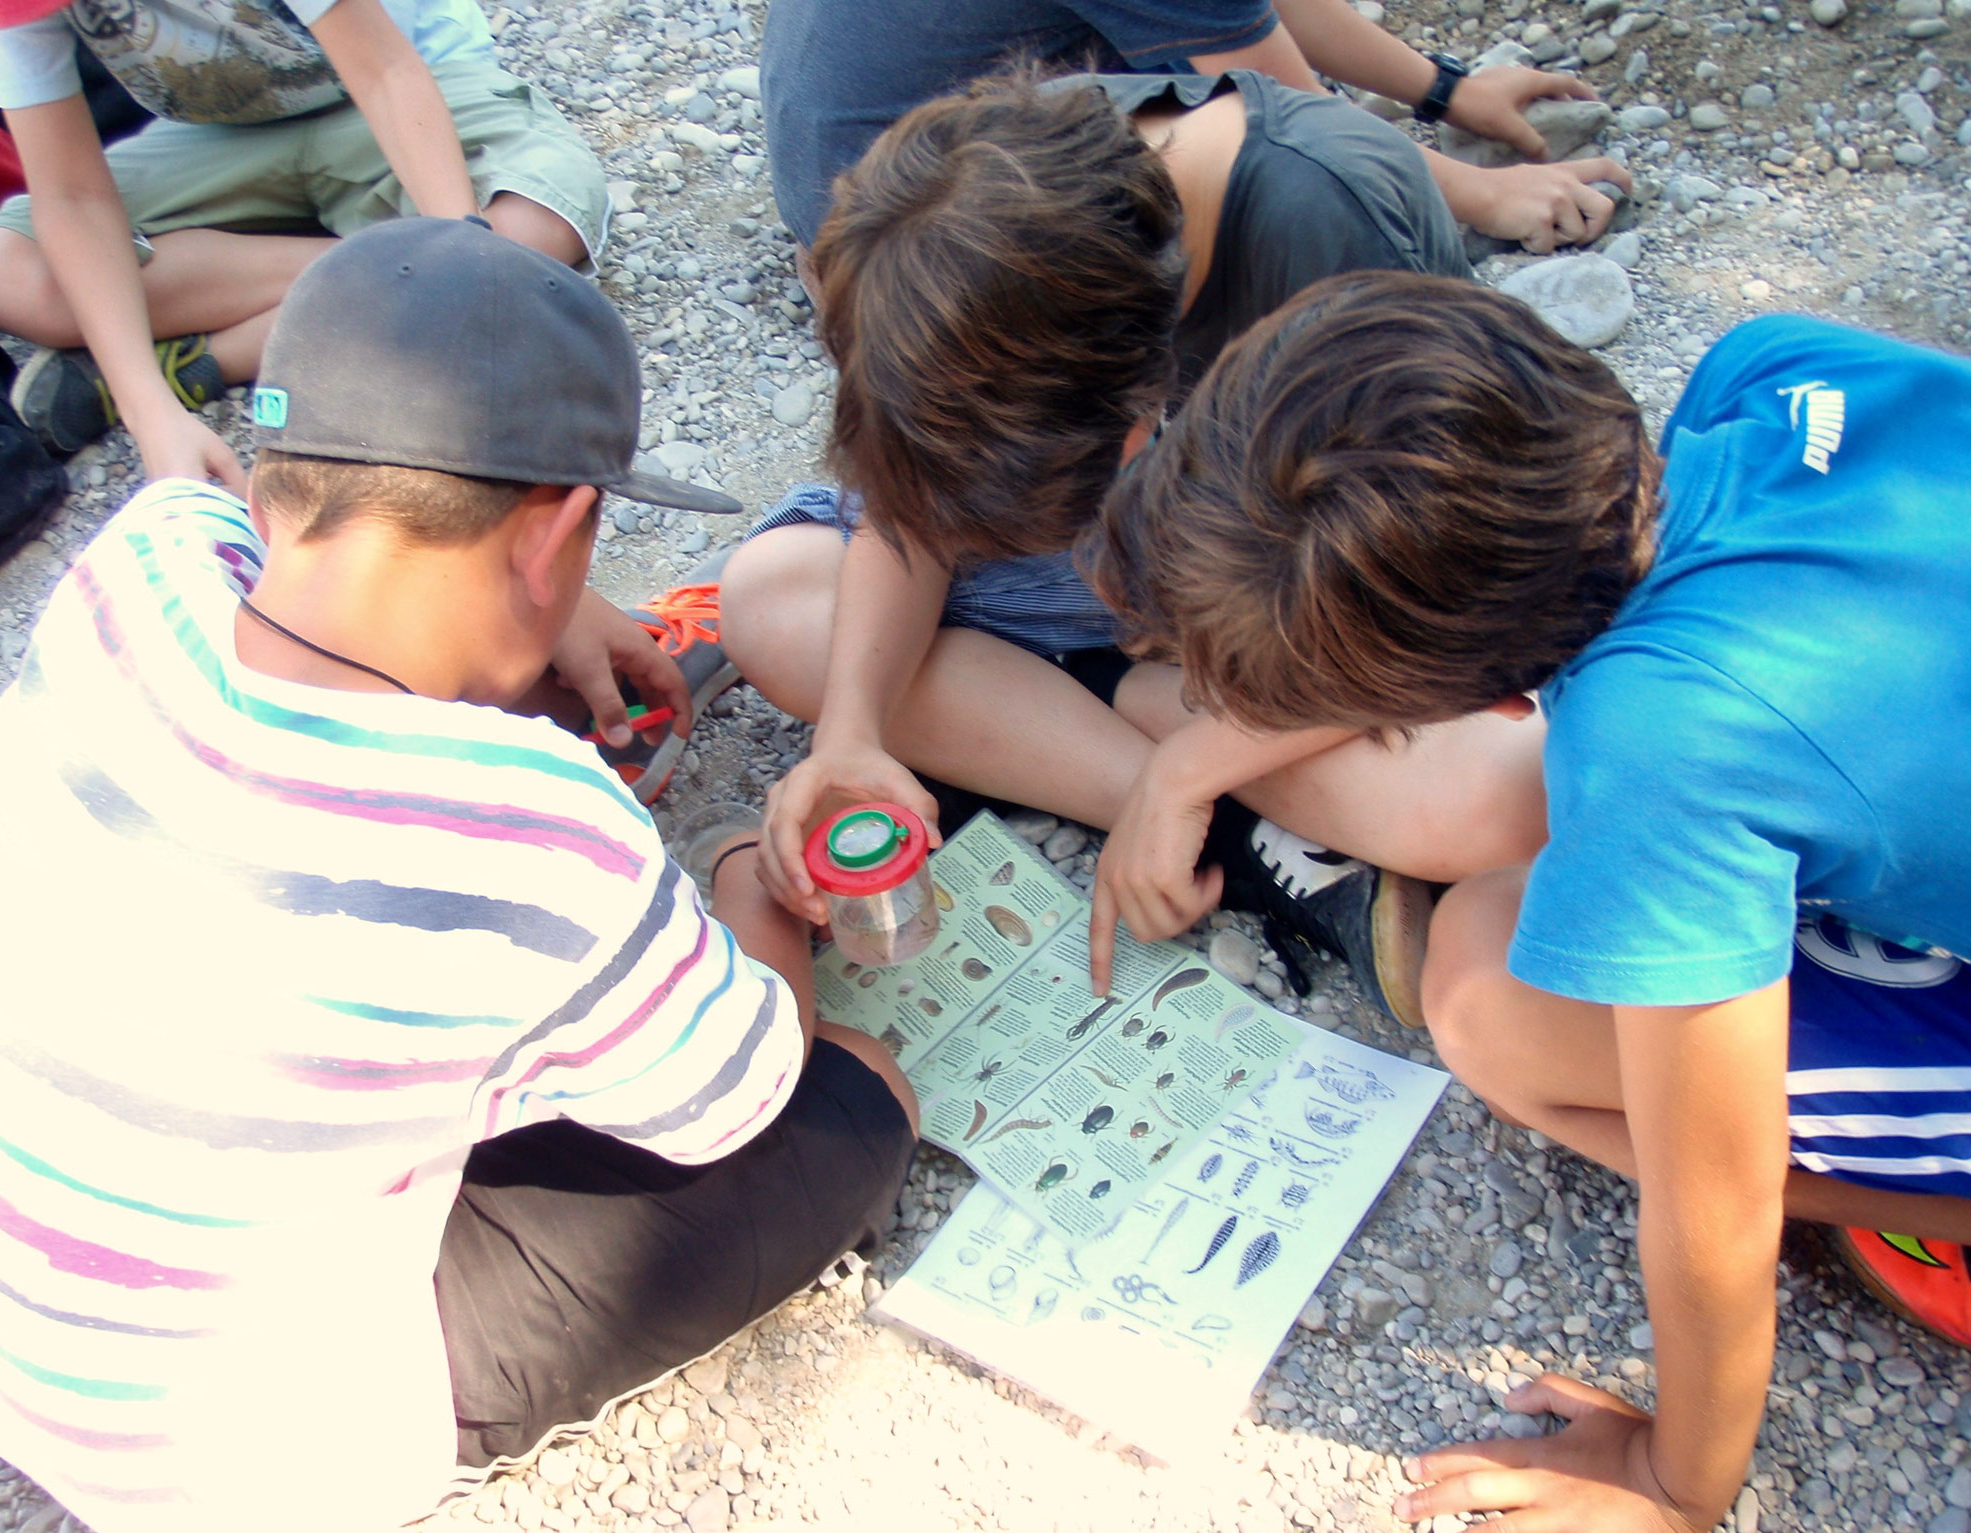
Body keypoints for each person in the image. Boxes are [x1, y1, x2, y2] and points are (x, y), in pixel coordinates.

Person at [0, 219, 916, 1533]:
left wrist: (541, 611)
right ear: (559, 529)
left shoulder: (144, 555)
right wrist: (746, 874)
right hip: (231, 1465)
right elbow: (741, 1087)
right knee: (857, 1101)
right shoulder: (538, 832)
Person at [1087, 267, 1971, 1532]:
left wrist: (1675, 1483)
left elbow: (1706, 1197)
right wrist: (1196, 760)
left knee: (1490, 999)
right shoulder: (1770, 371)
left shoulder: (1661, 746)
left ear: (1493, 700)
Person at [722, 70, 1546, 1019]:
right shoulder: (951, 205)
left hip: (1297, 628)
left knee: (1506, 795)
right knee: (771, 600)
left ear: (1136, 423)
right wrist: (852, 733)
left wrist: (1192, 766)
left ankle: (1127, 756)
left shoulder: (1337, 227)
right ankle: (1237, 837)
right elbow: (906, 520)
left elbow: (1442, 616)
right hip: (1119, 618)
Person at [0, 0, 608, 486]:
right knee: (4, 267)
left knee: (530, 230)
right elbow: (70, 194)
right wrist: (153, 423)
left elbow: (385, 74)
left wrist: (467, 261)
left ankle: (209, 356)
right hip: (226, 135)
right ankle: (408, 277)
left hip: (417, 84)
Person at [762, 0, 1631, 260]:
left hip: (862, 167)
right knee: (1296, 176)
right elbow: (1295, 112)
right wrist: (1481, 194)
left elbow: (1246, 9)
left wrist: (1442, 90)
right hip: (904, 240)